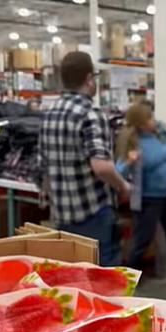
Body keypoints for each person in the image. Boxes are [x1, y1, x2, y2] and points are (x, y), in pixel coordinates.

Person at [37, 51, 130, 266]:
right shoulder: (90, 113)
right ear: (89, 79)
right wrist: (123, 186)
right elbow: (102, 167)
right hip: (93, 215)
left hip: (62, 216)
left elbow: (43, 169)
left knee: (73, 279)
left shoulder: (49, 114)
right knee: (103, 283)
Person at [115, 102, 166, 284]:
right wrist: (129, 162)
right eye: (150, 118)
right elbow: (118, 172)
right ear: (141, 123)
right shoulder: (134, 144)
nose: (154, 120)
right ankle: (128, 278)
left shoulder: (163, 136)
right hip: (149, 200)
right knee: (142, 240)